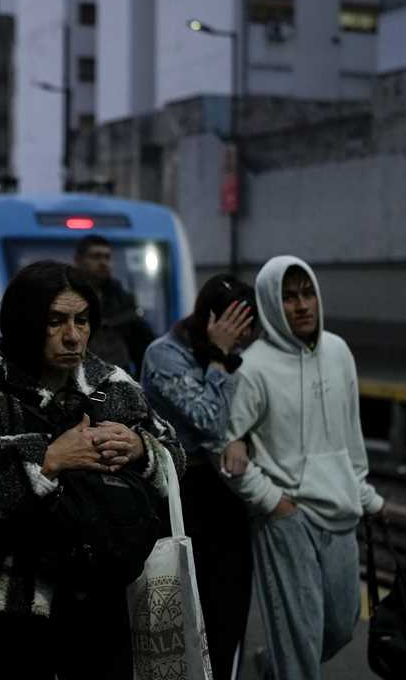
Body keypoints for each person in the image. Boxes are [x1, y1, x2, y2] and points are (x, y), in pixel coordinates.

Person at [0, 260, 184, 679]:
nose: (73, 336)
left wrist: (142, 449)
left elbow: (175, 460)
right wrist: (47, 462)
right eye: (55, 322)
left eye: (82, 321)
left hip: (102, 601)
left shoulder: (115, 387)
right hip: (8, 607)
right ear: (25, 324)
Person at [222, 257, 386, 680]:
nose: (302, 305)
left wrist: (364, 494)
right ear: (271, 304)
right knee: (299, 644)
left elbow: (350, 430)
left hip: (341, 510)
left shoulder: (339, 352)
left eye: (308, 293)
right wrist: (273, 502)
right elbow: (226, 449)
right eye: (289, 297)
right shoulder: (252, 368)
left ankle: (273, 668)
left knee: (340, 627)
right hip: (287, 519)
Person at [141, 274, 257, 680]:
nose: (243, 339)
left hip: (222, 492)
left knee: (228, 607)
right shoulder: (164, 355)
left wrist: (241, 438)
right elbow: (209, 420)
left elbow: (247, 416)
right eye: (237, 328)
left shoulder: (237, 355)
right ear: (211, 320)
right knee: (183, 611)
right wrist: (219, 358)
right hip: (178, 491)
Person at [73, 235, 155, 376]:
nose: (103, 263)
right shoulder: (66, 296)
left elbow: (141, 345)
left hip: (116, 376)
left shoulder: (123, 300)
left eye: (107, 257)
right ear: (78, 260)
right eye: (96, 257)